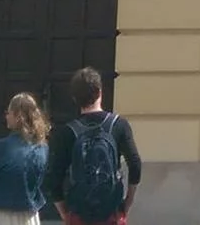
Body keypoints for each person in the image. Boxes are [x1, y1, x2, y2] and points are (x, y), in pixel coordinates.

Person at [44, 67, 142, 225]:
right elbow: (135, 164)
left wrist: (64, 212)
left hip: (79, 213)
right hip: (112, 212)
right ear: (100, 92)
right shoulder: (119, 125)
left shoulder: (67, 132)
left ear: (75, 98)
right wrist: (127, 202)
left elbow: (52, 177)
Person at [0, 92, 50, 225]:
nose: (6, 116)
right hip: (29, 215)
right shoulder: (42, 148)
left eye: (8, 112)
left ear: (18, 116)